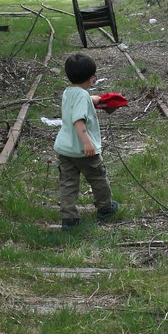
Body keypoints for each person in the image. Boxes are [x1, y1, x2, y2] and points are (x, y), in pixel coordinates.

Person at [54, 53, 119, 228]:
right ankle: (105, 207)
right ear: (92, 78)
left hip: (65, 149)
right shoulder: (82, 96)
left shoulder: (68, 92)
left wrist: (96, 99)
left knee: (68, 183)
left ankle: (69, 217)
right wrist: (87, 142)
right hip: (83, 150)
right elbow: (78, 120)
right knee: (98, 179)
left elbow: (79, 102)